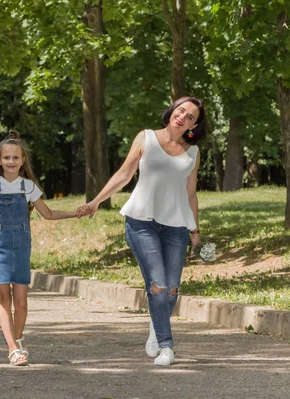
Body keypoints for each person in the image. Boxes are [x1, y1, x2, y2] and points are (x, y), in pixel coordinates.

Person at [77, 96, 206, 366]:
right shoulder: (145, 138)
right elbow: (124, 175)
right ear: (172, 110)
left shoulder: (192, 152)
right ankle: (167, 347)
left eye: (190, 117)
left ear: (194, 125)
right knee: (157, 286)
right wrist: (96, 201)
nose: (183, 117)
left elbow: (190, 193)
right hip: (141, 221)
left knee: (171, 290)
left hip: (177, 227)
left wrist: (195, 231)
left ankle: (155, 326)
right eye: (181, 110)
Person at [0, 131, 78, 366]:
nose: (11, 161)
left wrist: (75, 213)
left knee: (21, 302)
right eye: (6, 158)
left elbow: (48, 214)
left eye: (15, 158)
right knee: (4, 300)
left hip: (21, 246)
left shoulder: (28, 186)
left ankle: (18, 340)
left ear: (23, 161)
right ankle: (12, 349)